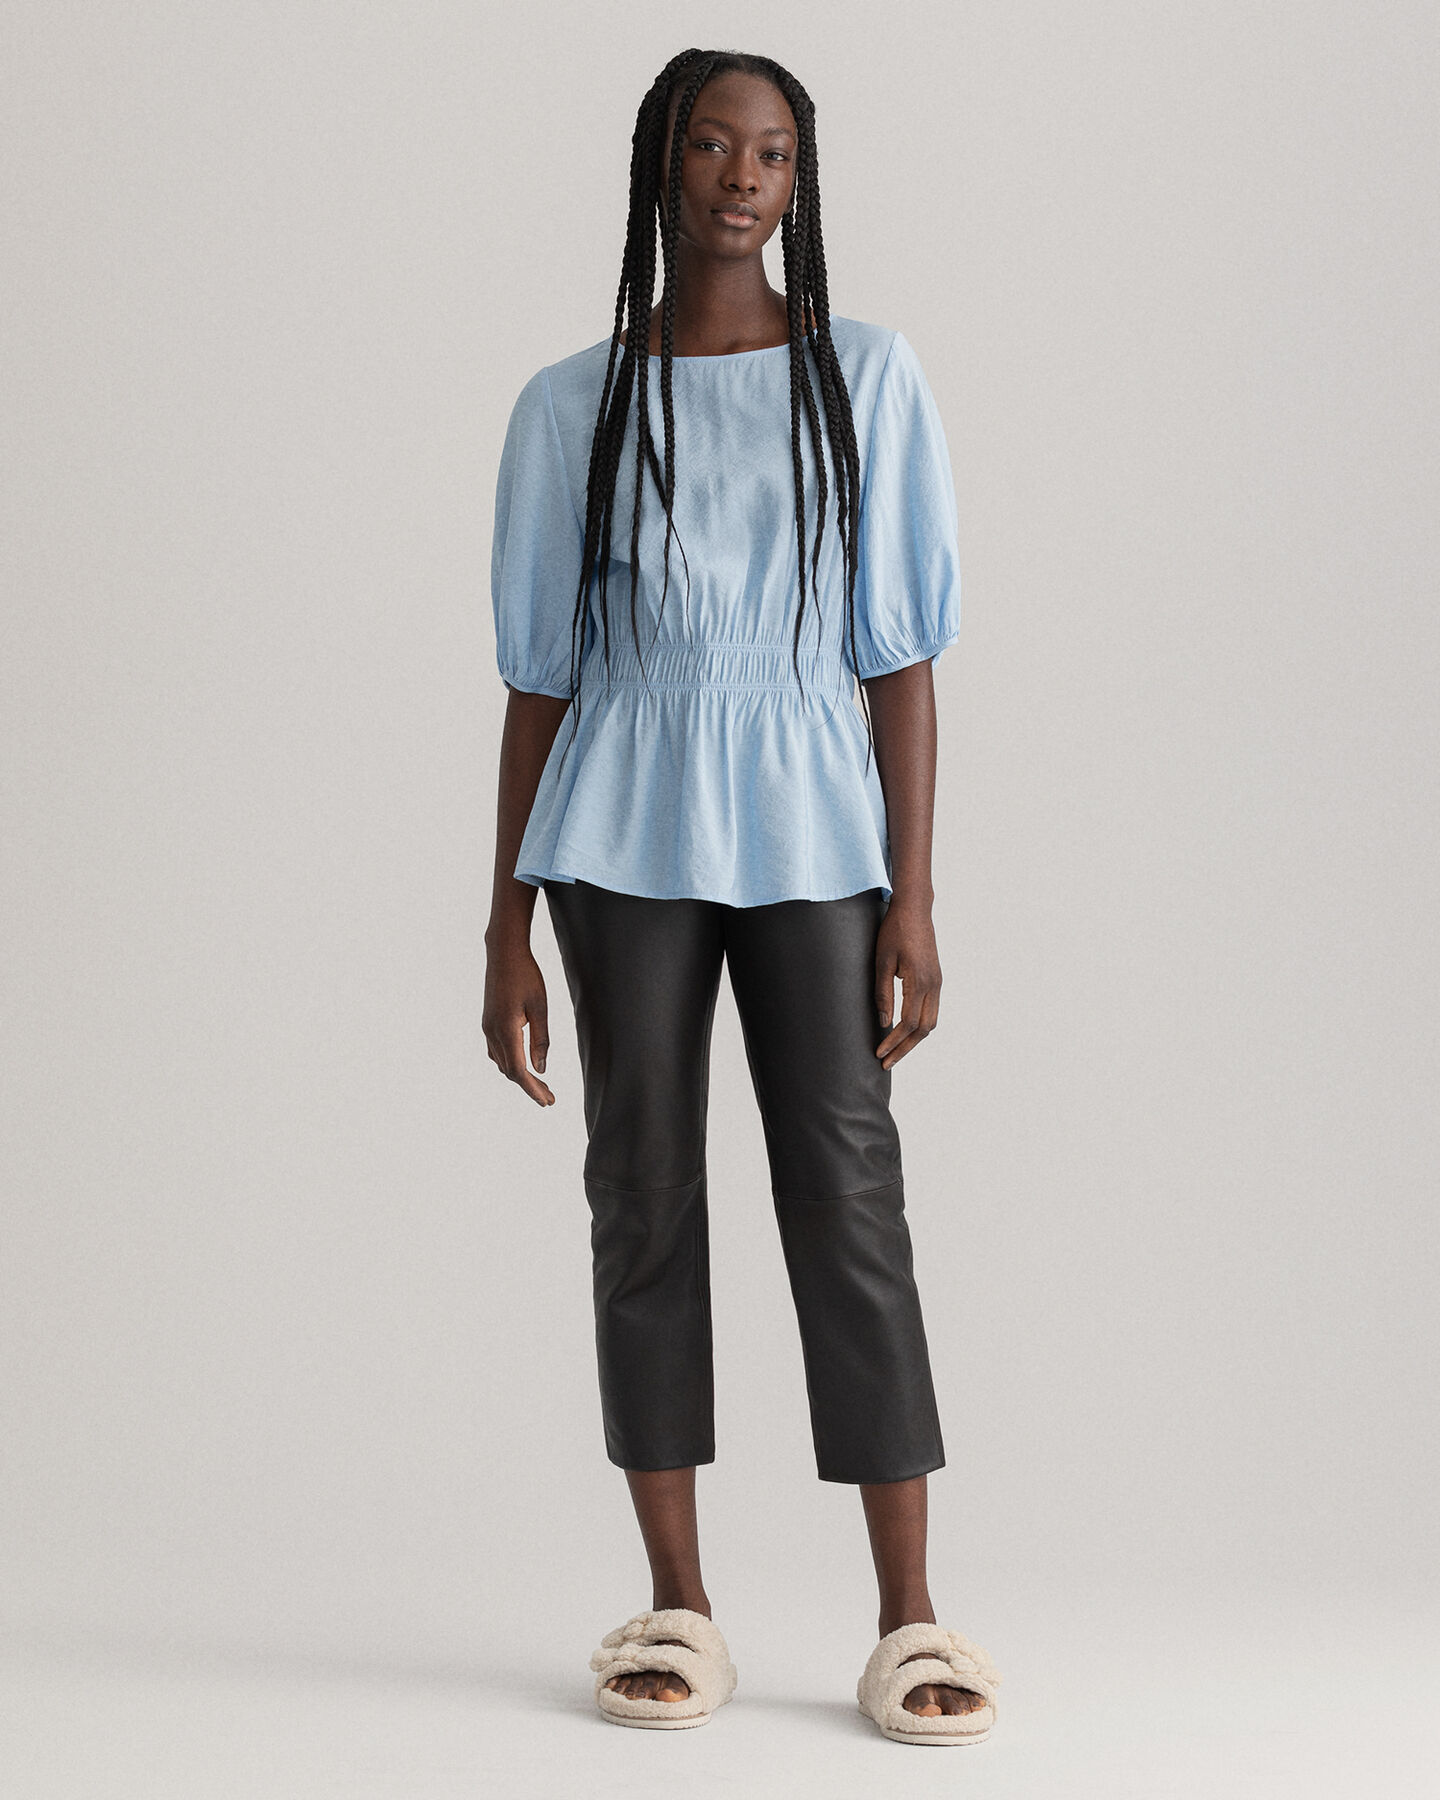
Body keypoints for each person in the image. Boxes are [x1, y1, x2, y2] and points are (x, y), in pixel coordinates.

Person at [483, 47, 1002, 1745]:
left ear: (801, 181)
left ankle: (909, 1614)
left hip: (812, 830)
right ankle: (680, 1605)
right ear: (663, 165)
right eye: (712, 145)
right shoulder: (571, 403)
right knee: (639, 1192)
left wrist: (914, 899)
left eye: (772, 153)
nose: (741, 178)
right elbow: (542, 677)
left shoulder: (866, 376)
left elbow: (900, 658)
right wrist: (501, 920)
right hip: (618, 828)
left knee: (847, 1194)